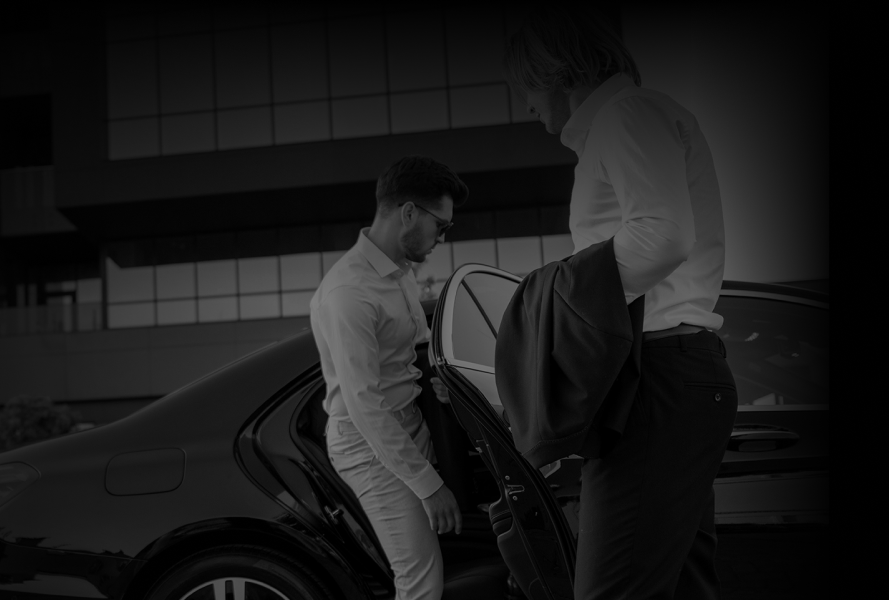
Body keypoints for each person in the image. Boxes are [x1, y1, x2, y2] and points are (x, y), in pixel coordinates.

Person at [503, 7, 734, 599]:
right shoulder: (639, 116)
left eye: (526, 85)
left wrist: (560, 298)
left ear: (553, 70)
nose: (527, 105)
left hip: (655, 381)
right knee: (684, 586)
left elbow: (663, 234)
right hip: (675, 375)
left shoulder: (623, 115)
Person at [309, 155, 469, 600]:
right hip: (368, 443)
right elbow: (365, 406)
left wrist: (441, 385)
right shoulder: (349, 293)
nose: (442, 237)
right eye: (442, 225)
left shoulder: (398, 274)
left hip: (409, 423)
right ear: (409, 213)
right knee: (419, 577)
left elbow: (411, 355)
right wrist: (429, 485)